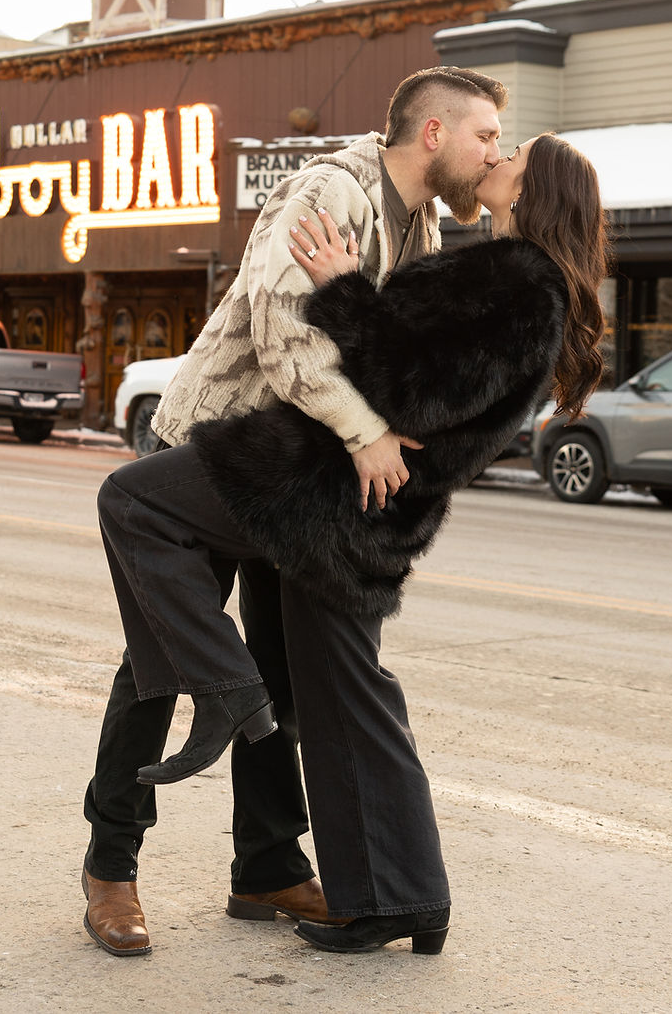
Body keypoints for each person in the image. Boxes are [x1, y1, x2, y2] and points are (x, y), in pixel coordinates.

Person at [94, 130, 607, 955]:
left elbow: (414, 386)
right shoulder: (477, 255)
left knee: (134, 506)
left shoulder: (516, 281)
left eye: (511, 152)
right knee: (339, 697)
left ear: (537, 189)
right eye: (493, 139)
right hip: (357, 499)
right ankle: (387, 892)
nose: (498, 154)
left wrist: (341, 288)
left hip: (323, 488)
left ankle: (237, 706)